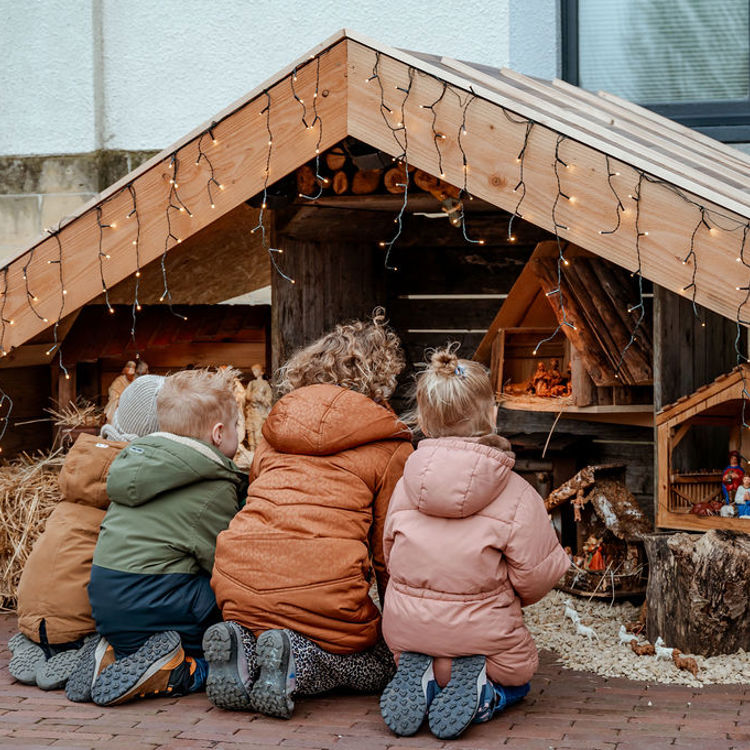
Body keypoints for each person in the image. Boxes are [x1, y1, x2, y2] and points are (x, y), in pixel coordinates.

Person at [207, 310, 413, 719]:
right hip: (322, 596)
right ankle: (297, 662)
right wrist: (398, 630)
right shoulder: (391, 447)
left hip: (237, 582)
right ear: (383, 378)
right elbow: (388, 552)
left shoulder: (273, 430)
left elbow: (258, 497)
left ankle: (241, 645)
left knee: (265, 625)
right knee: (375, 666)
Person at [379, 347, 570, 740]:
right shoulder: (516, 492)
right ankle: (486, 693)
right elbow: (537, 577)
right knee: (521, 679)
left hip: (407, 638)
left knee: (427, 645)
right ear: (493, 416)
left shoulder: (404, 486)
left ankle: (426, 679)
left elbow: (390, 556)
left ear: (425, 422)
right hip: (489, 649)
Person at [76, 368, 248, 706]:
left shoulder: (139, 465)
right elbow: (223, 563)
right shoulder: (214, 487)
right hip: (154, 603)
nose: (240, 434)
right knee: (227, 611)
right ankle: (178, 668)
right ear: (217, 433)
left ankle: (114, 652)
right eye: (237, 426)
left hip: (107, 602)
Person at [8, 376, 165, 693]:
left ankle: (36, 642)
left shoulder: (88, 458)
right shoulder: (133, 474)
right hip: (80, 616)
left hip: (30, 606)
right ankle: (82, 649)